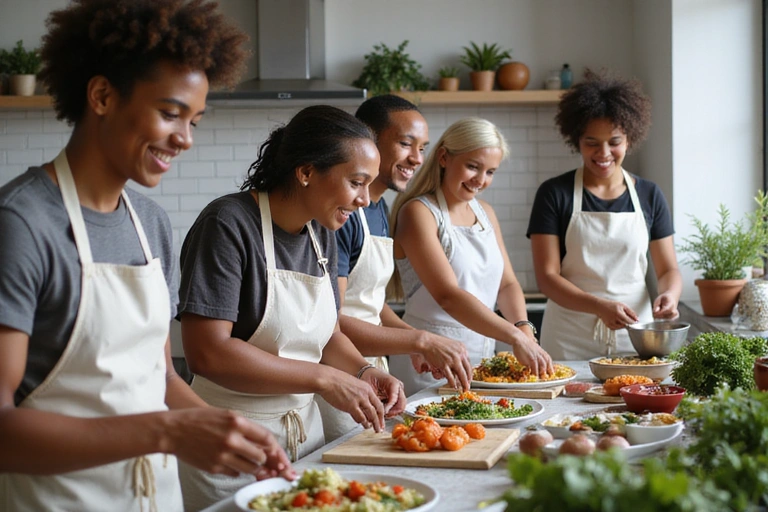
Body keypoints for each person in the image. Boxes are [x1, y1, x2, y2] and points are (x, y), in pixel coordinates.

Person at [0, 1, 294, 511]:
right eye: (170, 113)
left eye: (195, 121)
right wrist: (168, 432)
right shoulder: (22, 224)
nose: (184, 139)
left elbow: (159, 378)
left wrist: (225, 430)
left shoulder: (150, 224)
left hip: (153, 497)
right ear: (102, 95)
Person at [177, 105, 407, 509]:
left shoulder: (322, 230)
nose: (364, 199)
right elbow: (208, 352)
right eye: (356, 182)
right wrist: (323, 379)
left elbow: (329, 333)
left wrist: (363, 371)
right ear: (306, 172)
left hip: (306, 441)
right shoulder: (228, 223)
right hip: (232, 446)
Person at [316, 95, 473, 441]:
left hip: (371, 371)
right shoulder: (342, 217)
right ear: (369, 139)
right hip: (340, 377)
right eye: (406, 144)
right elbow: (331, 319)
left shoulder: (379, 210)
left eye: (422, 147)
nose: (417, 158)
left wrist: (412, 344)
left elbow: (370, 302)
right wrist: (419, 338)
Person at [388, 117, 554, 396]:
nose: (481, 180)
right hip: (430, 365)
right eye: (473, 166)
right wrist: (514, 337)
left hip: (482, 360)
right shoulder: (418, 213)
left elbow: (507, 285)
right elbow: (447, 296)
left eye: (490, 172)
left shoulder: (485, 213)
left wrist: (524, 329)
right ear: (443, 157)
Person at [527, 70, 682, 360]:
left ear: (629, 139)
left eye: (614, 141)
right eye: (592, 142)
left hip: (635, 335)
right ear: (577, 140)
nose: (604, 153)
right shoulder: (554, 193)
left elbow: (667, 270)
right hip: (568, 339)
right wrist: (598, 305)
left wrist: (670, 295)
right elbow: (547, 278)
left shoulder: (649, 194)